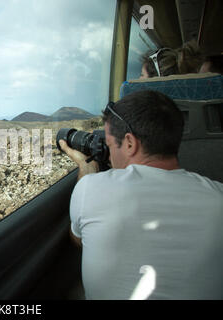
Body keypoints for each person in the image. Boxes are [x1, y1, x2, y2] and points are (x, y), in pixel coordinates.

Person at [58, 90, 223, 299]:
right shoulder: (219, 197)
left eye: (109, 145)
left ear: (129, 143)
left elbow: (79, 239)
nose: (109, 156)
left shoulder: (90, 187)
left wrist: (85, 168)